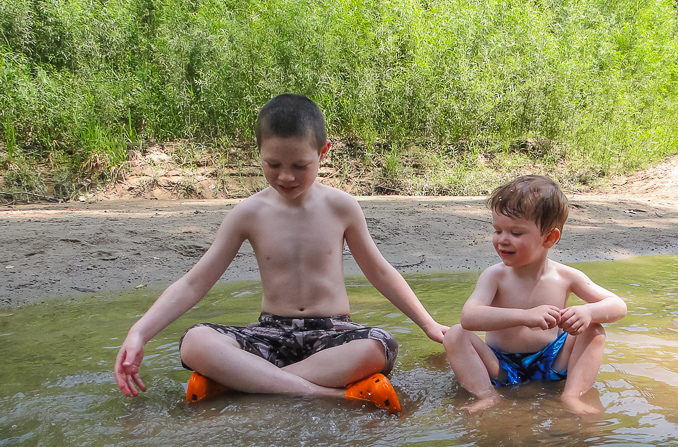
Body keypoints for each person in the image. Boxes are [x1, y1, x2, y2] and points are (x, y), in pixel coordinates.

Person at [113, 94, 447, 413]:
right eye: (273, 164)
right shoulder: (248, 213)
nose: (285, 176)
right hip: (269, 335)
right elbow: (194, 283)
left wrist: (428, 323)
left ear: (323, 152)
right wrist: (140, 331)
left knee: (380, 346)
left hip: (331, 334)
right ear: (258, 151)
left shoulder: (341, 207)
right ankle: (324, 393)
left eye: (299, 165)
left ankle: (247, 381)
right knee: (195, 342)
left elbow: (380, 271)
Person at [442, 175, 626, 414]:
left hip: (551, 360)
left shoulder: (566, 276)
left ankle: (572, 397)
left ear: (549, 238)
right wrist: (524, 316)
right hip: (500, 365)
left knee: (594, 330)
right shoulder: (495, 276)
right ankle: (486, 395)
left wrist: (587, 311)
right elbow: (470, 317)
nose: (502, 240)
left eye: (516, 233)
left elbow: (618, 306)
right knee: (455, 334)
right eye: (498, 230)